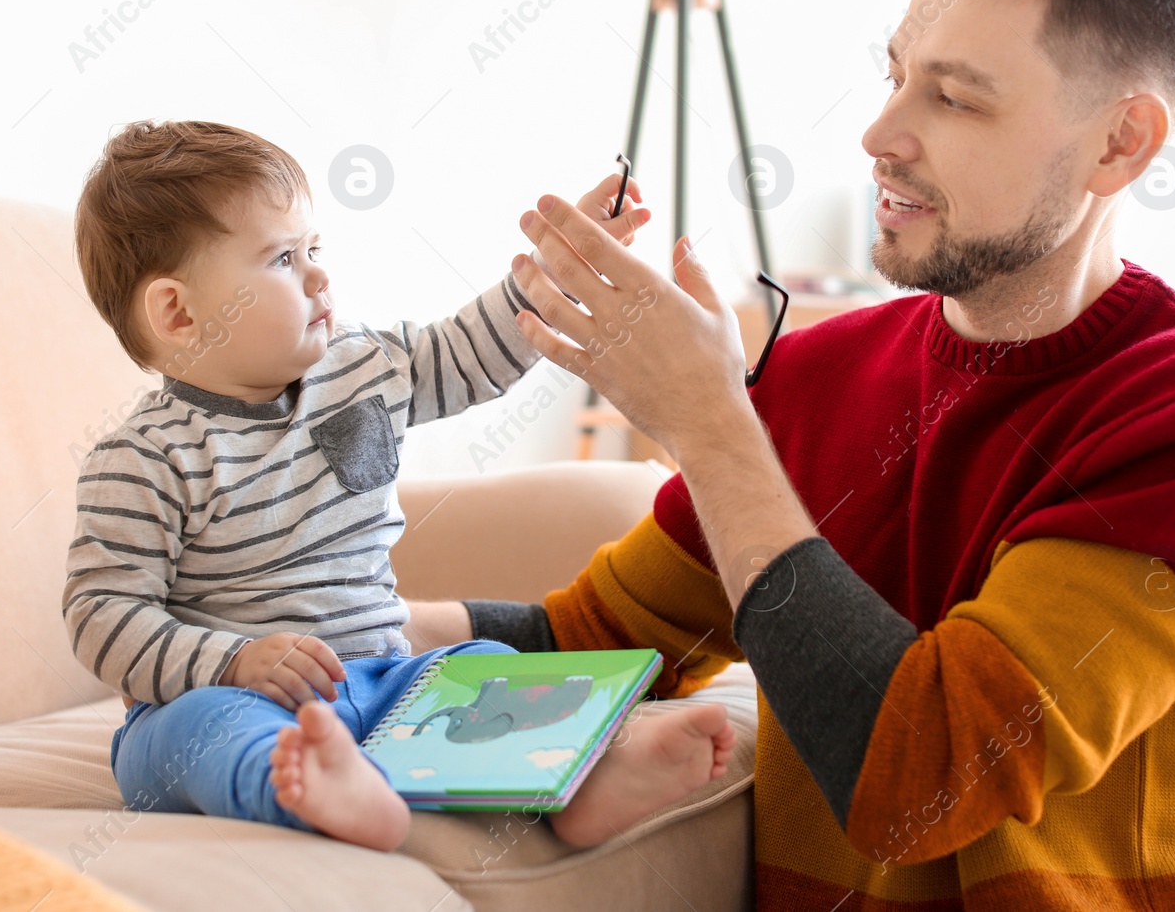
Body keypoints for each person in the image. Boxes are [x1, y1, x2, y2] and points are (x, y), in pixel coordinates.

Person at [408, 0, 1175, 910]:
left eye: (956, 97)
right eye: (895, 77)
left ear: (1120, 143)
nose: (880, 131)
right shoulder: (813, 381)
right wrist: (303, 628)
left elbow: (927, 782)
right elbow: (577, 649)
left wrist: (711, 428)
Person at [62, 120, 736, 853]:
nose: (319, 274)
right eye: (283, 259)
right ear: (179, 312)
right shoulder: (142, 459)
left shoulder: (356, 364)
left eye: (313, 248)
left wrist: (553, 274)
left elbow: (461, 351)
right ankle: (314, 789)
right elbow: (103, 613)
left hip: (385, 677)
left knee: (486, 670)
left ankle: (580, 782)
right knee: (196, 735)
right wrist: (229, 660)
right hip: (234, 698)